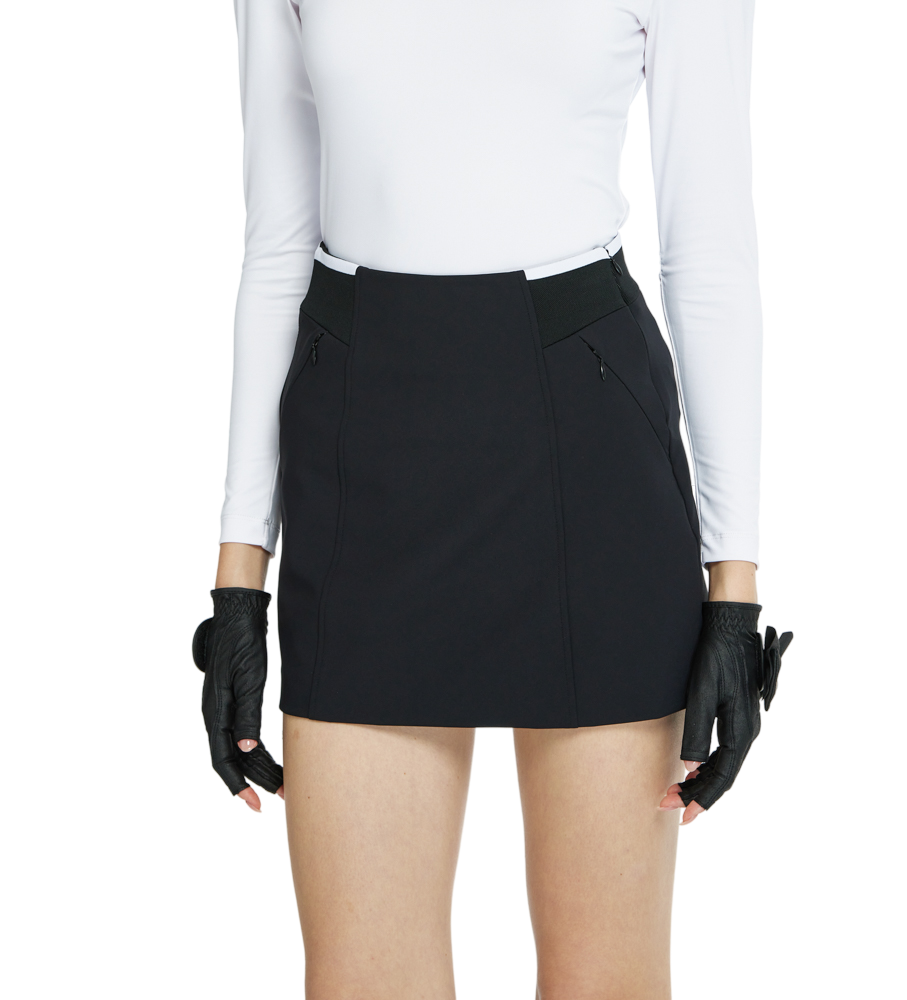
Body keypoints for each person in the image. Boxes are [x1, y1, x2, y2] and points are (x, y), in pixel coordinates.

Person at [191, 1, 793, 997]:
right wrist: (238, 575)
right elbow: (275, 250)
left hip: (588, 448)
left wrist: (734, 588)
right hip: (361, 454)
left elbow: (711, 251)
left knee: (605, 983)